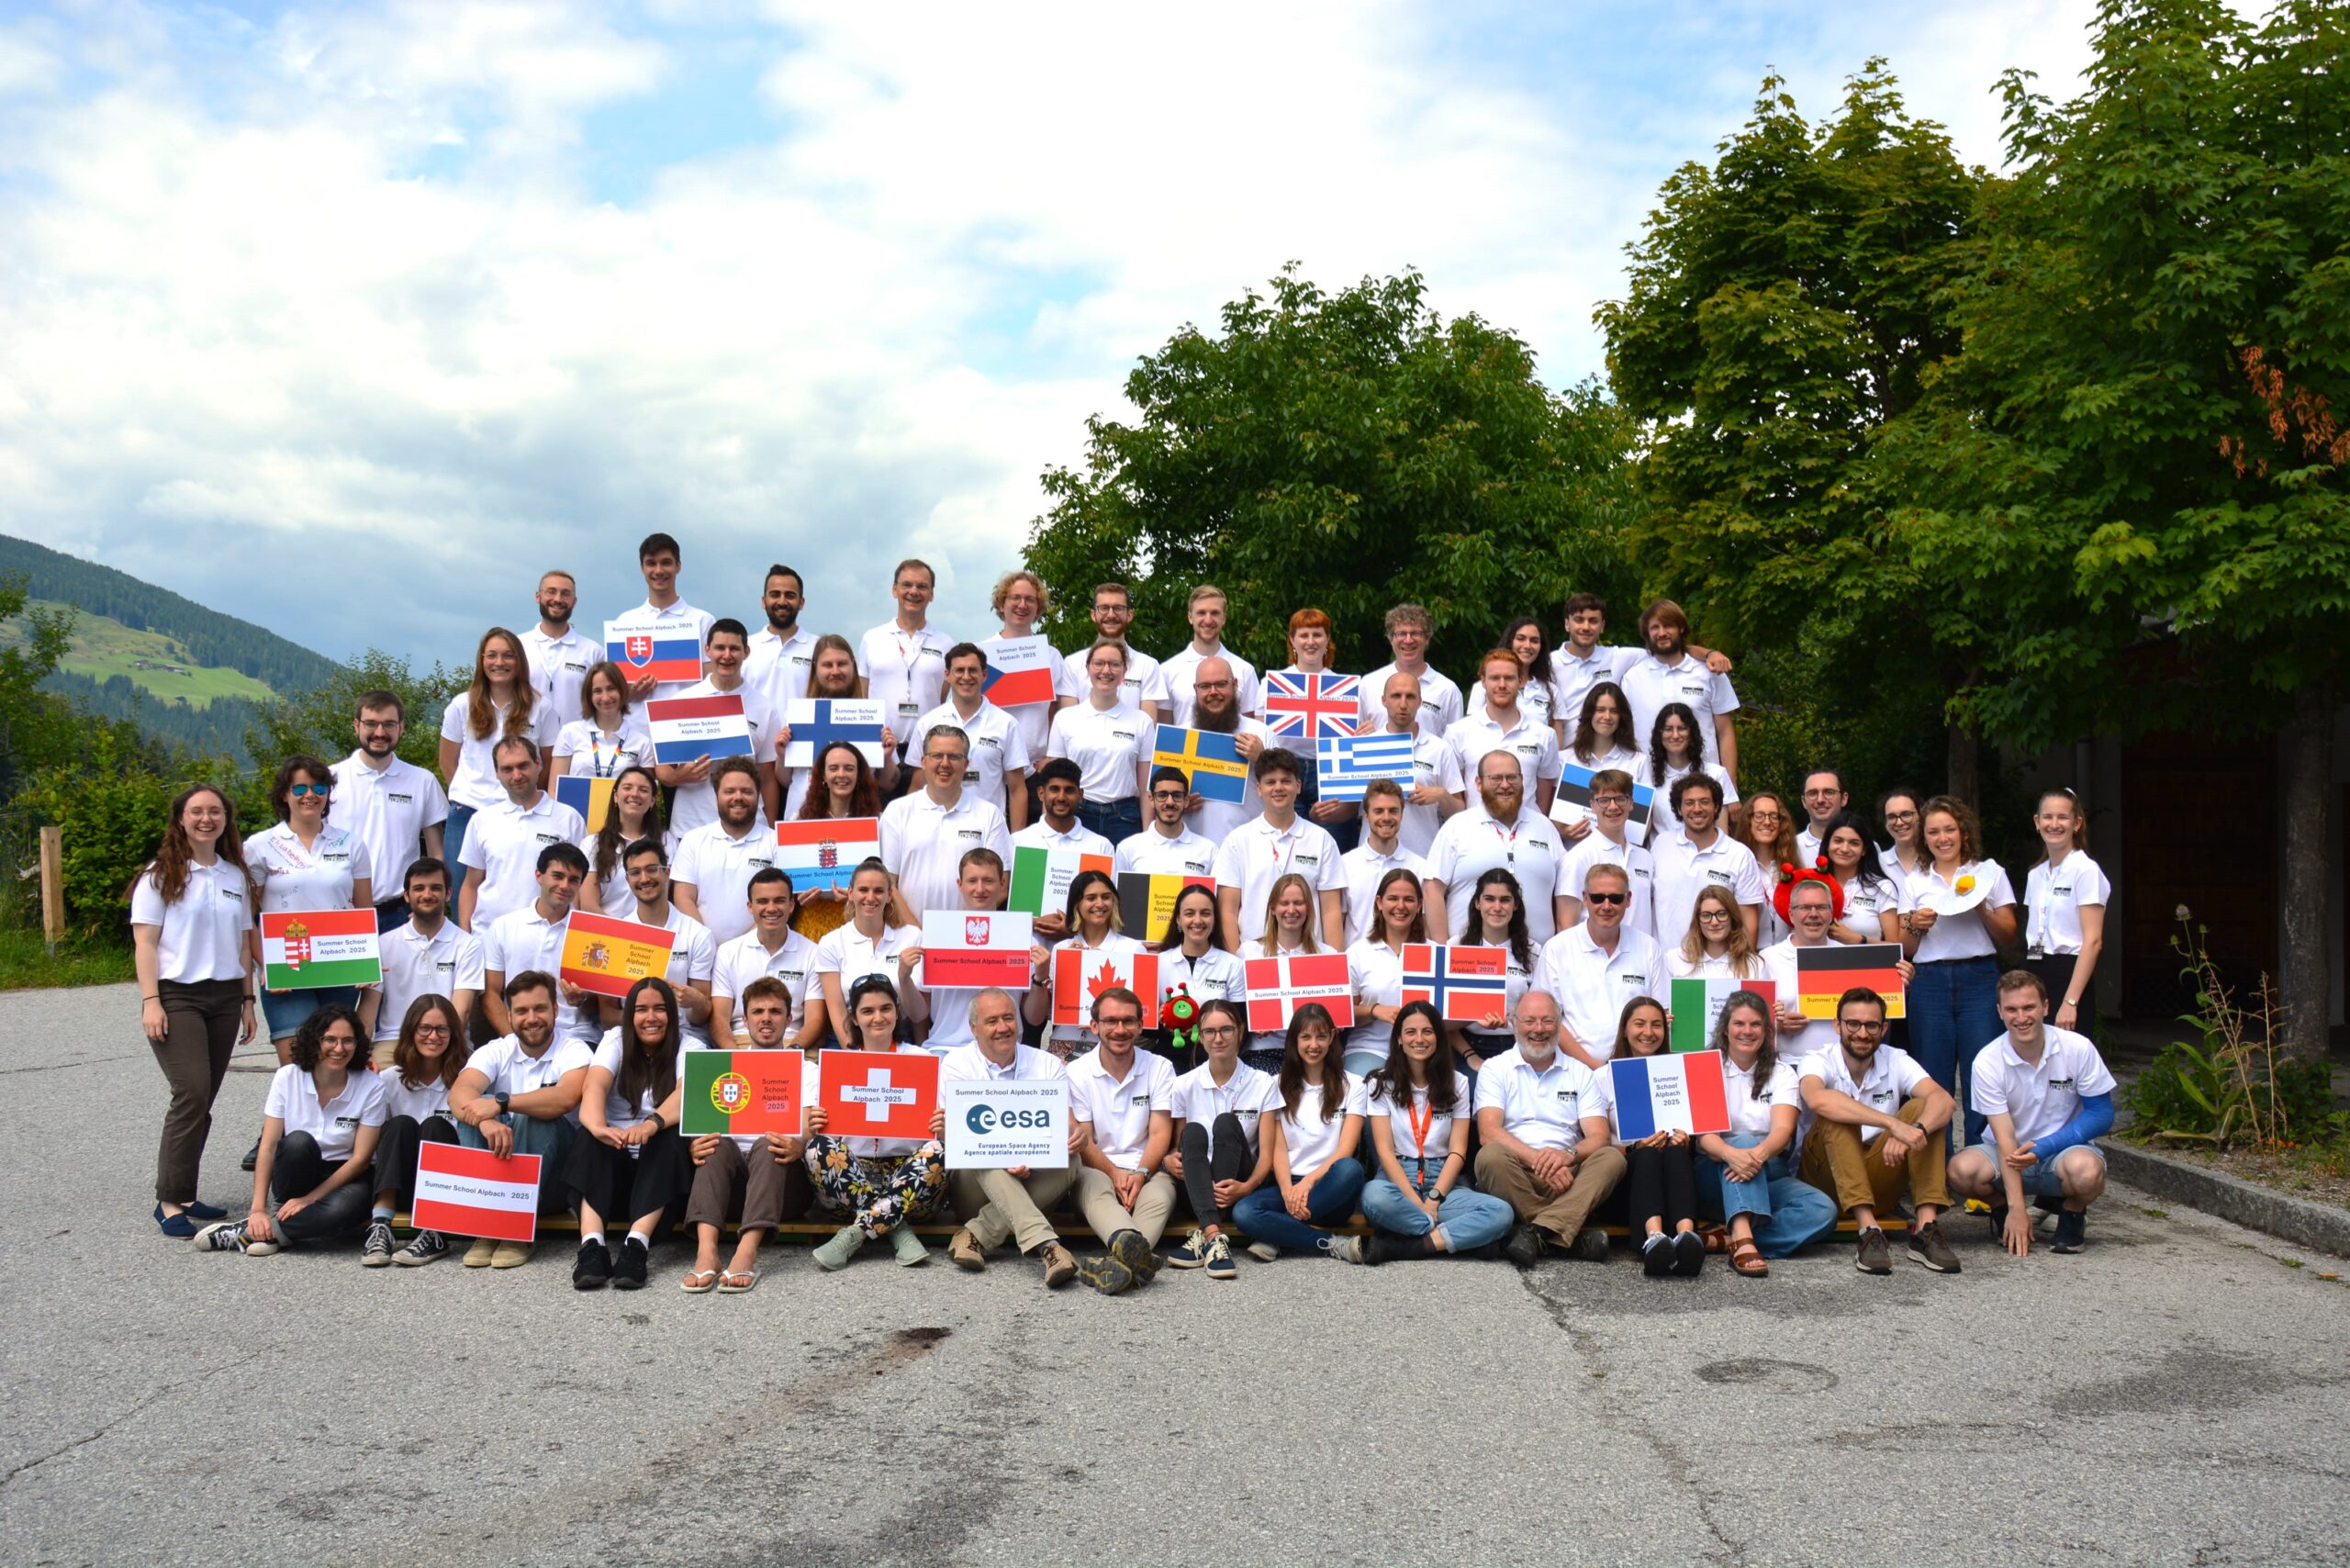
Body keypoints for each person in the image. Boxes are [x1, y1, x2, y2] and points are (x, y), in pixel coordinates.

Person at [132, 783, 255, 1238]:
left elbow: (244, 944)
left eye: (216, 812)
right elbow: (145, 943)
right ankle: (168, 1201)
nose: (207, 819)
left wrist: (247, 1001)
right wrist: (151, 1001)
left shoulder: (234, 876)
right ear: (180, 818)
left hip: (224, 997)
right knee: (191, 1093)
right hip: (177, 996)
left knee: (204, 1099)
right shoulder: (160, 875)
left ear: (226, 819)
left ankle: (186, 1193)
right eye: (197, 811)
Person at [196, 1004, 386, 1256]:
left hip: (346, 1175)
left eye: (348, 1041)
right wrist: (257, 1209)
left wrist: (311, 1199)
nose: (339, 1049)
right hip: (298, 1168)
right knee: (297, 1142)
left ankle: (255, 1233)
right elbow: (269, 1145)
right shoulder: (287, 1077)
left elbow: (361, 1159)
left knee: (345, 1208)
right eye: (330, 1039)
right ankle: (272, 1222)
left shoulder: (371, 1085)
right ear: (314, 1041)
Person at [1949, 970, 2116, 1255]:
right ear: (2000, 1012)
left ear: (2046, 1007)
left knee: (2087, 1173)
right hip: (2009, 1154)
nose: (2021, 1017)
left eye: (2029, 1007)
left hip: (2063, 1152)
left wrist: (2046, 1146)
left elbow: (2102, 1114)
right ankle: (2001, 1211)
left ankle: (2072, 1212)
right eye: (2011, 1009)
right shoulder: (1987, 1061)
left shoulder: (2077, 1047)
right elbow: (2005, 1141)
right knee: (1959, 1171)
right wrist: (2016, 1209)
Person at [1796, 988, 1962, 1275]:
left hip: (1879, 1174)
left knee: (1926, 1108)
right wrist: (1894, 1125)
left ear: (1884, 1028)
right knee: (1837, 1111)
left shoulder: (1895, 1058)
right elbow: (1817, 1099)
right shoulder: (1818, 1059)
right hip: (1826, 1183)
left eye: (1871, 1025)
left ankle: (1925, 1228)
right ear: (1837, 1025)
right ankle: (1868, 1232)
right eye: (1853, 1024)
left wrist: (1917, 1128)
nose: (1862, 1033)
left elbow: (1944, 1101)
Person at [934, 987, 1083, 1286]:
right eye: (992, 1021)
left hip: (1033, 1178)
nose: (1003, 1028)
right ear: (973, 1028)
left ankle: (974, 1235)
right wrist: (1007, 1160)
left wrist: (1074, 1134)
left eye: (1008, 1018)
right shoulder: (956, 1064)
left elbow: (1065, 1127)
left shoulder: (1048, 1064)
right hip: (975, 1186)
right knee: (976, 1150)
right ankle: (1047, 1246)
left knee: (1073, 1159)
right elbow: (956, 1139)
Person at [448, 970, 591, 1269]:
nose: (532, 1018)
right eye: (522, 1011)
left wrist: (502, 1104)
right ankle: (486, 1226)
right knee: (477, 1106)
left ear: (555, 1009)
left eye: (540, 1008)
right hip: (504, 1173)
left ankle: (516, 1229)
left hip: (557, 1181)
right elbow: (459, 1094)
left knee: (533, 1115)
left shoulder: (573, 1048)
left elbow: (565, 1098)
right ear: (510, 1016)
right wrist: (484, 1117)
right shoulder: (497, 1049)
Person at [681, 977, 815, 1294]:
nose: (765, 1019)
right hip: (728, 1188)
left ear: (789, 1019)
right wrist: (694, 1145)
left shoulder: (805, 1069)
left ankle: (746, 1251)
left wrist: (800, 1143)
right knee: (715, 1144)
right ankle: (707, 1253)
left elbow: (810, 1119)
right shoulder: (721, 1066)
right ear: (744, 1020)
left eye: (775, 1011)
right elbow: (700, 1124)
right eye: (757, 1012)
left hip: (782, 1185)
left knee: (770, 1141)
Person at [804, 976, 950, 1269]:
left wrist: (945, 1128)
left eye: (885, 1008)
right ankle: (897, 1228)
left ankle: (858, 1232)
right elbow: (815, 1133)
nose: (878, 1017)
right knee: (816, 1147)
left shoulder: (924, 1061)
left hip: (911, 1183)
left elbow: (946, 1133)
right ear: (855, 1019)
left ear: (897, 1012)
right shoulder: (837, 1066)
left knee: (939, 1151)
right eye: (867, 1011)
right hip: (851, 1184)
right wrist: (813, 1123)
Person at [1354, 999, 1515, 1263]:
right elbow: (1384, 1150)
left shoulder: (1459, 1082)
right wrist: (1416, 1202)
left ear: (1439, 1037)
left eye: (1427, 1031)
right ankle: (1461, 1241)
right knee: (1373, 1198)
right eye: (1411, 1032)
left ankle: (1412, 1246)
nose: (1419, 1039)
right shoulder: (1380, 1082)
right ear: (1399, 1040)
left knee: (1501, 1213)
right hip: (1397, 1178)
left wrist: (1434, 1198)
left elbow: (1458, 1150)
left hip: (1444, 1180)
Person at [1899, 795, 2020, 1143]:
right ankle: (1937, 1172)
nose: (1942, 838)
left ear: (1963, 832)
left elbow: (2009, 935)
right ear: (1925, 838)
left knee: (1981, 1074)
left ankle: (1979, 1168)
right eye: (1933, 832)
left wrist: (1980, 907)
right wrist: (1917, 925)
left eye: (1949, 829)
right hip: (1929, 981)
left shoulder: (1989, 873)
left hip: (1978, 978)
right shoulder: (1915, 880)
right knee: (1932, 1077)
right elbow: (1906, 948)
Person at [1691, 989, 1837, 1275]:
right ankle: (1744, 1236)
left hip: (1768, 1168)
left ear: (1767, 1030)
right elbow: (1706, 1137)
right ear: (1725, 1029)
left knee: (1823, 1209)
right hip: (1714, 1171)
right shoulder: (1706, 1068)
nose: (1747, 1031)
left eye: (1755, 1024)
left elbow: (1783, 1129)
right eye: (1739, 1024)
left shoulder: (1782, 1073)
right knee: (1742, 1140)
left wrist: (1755, 1158)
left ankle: (1729, 1239)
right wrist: (1733, 1154)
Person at [1472, 990, 1624, 1264]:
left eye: (1548, 1021)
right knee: (1490, 1156)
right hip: (1517, 1173)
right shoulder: (1495, 1069)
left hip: (1569, 1176)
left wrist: (1566, 1156)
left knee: (1612, 1157)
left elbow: (1599, 1136)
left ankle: (1535, 1234)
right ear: (1513, 1023)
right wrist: (1540, 1162)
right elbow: (1489, 1132)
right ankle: (1563, 1236)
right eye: (1529, 1021)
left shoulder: (1580, 1072)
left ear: (1559, 1024)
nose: (1539, 1029)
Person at [246, 753, 375, 1060]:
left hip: (339, 968)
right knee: (296, 1064)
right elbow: (245, 918)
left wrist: (367, 960)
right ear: (284, 794)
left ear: (328, 794)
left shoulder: (350, 844)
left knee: (336, 1060)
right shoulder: (259, 847)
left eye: (319, 789)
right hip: (287, 971)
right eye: (300, 789)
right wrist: (266, 966)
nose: (310, 796)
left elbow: (364, 911)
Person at [567, 976, 689, 1290]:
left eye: (660, 1009)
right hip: (613, 1172)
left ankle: (636, 1246)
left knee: (670, 1137)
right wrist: (599, 1127)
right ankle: (592, 1247)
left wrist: (651, 1124)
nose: (651, 1017)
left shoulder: (689, 1045)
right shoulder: (616, 1040)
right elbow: (594, 1084)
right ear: (629, 1015)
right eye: (641, 1009)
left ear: (672, 1015)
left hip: (659, 1186)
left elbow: (686, 1091)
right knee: (588, 1136)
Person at [1230, 1002, 1367, 1261]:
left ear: (1332, 1037)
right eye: (1305, 1037)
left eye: (1321, 1036)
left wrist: (1307, 1183)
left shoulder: (1354, 1085)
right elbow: (1277, 1149)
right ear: (1294, 1040)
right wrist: (1287, 1191)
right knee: (1244, 1211)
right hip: (1288, 1184)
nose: (1313, 1044)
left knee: (1352, 1169)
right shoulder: (1277, 1084)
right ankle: (1329, 1244)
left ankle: (1277, 1232)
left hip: (1330, 1188)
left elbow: (1345, 1150)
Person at [1065, 986, 1177, 1294]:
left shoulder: (1159, 1067)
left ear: (1141, 1026)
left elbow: (1160, 1134)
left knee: (1160, 1197)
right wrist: (1115, 1173)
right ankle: (1132, 1258)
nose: (1120, 1029)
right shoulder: (1076, 1072)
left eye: (1129, 1021)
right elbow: (1085, 1139)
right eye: (1111, 1021)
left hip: (1146, 1168)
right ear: (1094, 1026)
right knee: (1094, 1187)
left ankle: (1112, 1266)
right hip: (1097, 1168)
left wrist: (1140, 1174)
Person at [1164, 998, 1277, 1281]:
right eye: (1210, 1032)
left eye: (1226, 1030)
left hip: (1239, 1183)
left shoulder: (1263, 1082)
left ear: (1240, 1031)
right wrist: (1170, 1161)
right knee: (1193, 1132)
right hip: (1197, 1188)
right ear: (1199, 1037)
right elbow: (1181, 1147)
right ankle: (1214, 1236)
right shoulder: (1183, 1084)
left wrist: (1247, 1186)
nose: (1218, 1038)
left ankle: (1204, 1237)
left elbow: (1266, 1155)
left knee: (1226, 1123)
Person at [1593, 996, 1706, 1276]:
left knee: (1675, 1152)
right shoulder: (1603, 1076)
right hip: (1627, 1184)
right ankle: (1653, 1239)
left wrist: (1686, 1140)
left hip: (1672, 1176)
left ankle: (1687, 1238)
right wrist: (1633, 1149)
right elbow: (1597, 1144)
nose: (1648, 1032)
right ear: (1624, 1030)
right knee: (1645, 1154)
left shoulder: (1677, 1072)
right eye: (1639, 1024)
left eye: (1657, 1025)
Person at [439, 627, 560, 885]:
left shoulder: (542, 708)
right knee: (463, 895)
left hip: (521, 813)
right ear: (481, 660)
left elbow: (548, 764)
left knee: (516, 890)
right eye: (491, 655)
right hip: (467, 813)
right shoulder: (462, 705)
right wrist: (471, 792)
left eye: (508, 655)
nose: (499, 662)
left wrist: (523, 796)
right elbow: (447, 762)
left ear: (519, 661)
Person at [363, 994, 470, 1267]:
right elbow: (374, 1143)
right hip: (401, 1182)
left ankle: (434, 1231)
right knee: (400, 1124)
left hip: (448, 1188)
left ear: (453, 1034)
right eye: (425, 1028)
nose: (433, 1036)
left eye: (441, 1029)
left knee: (436, 1126)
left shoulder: (466, 1079)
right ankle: (380, 1226)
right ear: (411, 1031)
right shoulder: (388, 1079)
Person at [1762, 871, 1912, 1066]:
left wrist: (1902, 984)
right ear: (1791, 914)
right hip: (1789, 1064)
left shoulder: (1851, 958)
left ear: (1832, 914)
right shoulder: (1767, 959)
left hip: (1845, 1066)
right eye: (1805, 907)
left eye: (1822, 907)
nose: (1813, 914)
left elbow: (1879, 1009)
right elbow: (1753, 1021)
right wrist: (1777, 1025)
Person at [330, 689, 448, 931]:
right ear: (356, 725)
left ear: (401, 727)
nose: (380, 733)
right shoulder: (331, 779)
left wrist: (430, 908)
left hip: (400, 914)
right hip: (338, 911)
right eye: (371, 724)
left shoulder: (422, 781)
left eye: (389, 724)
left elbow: (436, 854)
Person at [1424, 751, 1569, 946]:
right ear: (1478, 783)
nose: (1505, 785)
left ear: (1522, 780)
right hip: (1468, 959)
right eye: (1496, 778)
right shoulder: (1457, 827)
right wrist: (1442, 950)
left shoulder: (1544, 827)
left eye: (1512, 777)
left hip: (1535, 961)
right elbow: (1432, 889)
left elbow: (1565, 893)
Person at [907, 847, 1039, 1053]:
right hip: (946, 1047)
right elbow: (917, 1014)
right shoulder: (936, 934)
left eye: (988, 880)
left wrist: (1040, 975)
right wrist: (903, 976)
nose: (980, 889)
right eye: (972, 881)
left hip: (1005, 1049)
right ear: (959, 884)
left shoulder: (1022, 937)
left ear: (1002, 884)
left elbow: (1035, 1017)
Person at [879, 723, 1013, 924]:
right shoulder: (897, 811)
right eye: (937, 756)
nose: (945, 763)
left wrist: (954, 933)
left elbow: (1001, 885)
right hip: (907, 938)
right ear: (923, 761)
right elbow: (888, 883)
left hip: (966, 940)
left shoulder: (989, 814)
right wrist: (916, 932)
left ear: (966, 764)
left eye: (953, 757)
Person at [1213, 747, 1345, 949]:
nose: (1278, 788)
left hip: (1309, 958)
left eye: (1285, 781)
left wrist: (1336, 967)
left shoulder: (1322, 839)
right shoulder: (1237, 840)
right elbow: (1227, 912)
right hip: (1256, 958)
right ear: (1258, 788)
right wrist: (1235, 963)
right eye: (1270, 782)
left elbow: (1331, 912)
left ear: (1298, 786)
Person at [1536, 862, 1663, 1068]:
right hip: (1573, 1071)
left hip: (1634, 1068)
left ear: (1628, 899)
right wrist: (1595, 1066)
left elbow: (1660, 1014)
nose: (1606, 906)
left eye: (1615, 898)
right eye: (1597, 898)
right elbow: (1549, 1019)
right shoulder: (1556, 949)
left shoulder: (1649, 948)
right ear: (1585, 898)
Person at [661, 618, 781, 834]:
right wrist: (676, 777)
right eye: (719, 648)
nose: (727, 656)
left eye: (734, 648)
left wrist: (771, 829)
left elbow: (767, 776)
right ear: (707, 650)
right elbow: (662, 767)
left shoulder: (764, 707)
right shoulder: (682, 701)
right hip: (691, 825)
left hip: (748, 826)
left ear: (746, 652)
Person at [456, 736, 587, 933]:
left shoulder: (569, 818)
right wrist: (465, 937)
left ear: (538, 764)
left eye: (523, 766)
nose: (516, 775)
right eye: (507, 769)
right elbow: (470, 884)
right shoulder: (481, 820)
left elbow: (579, 885)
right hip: (488, 935)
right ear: (497, 773)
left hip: (548, 935)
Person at [479, 842, 598, 1047]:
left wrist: (583, 1001)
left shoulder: (592, 934)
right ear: (538, 875)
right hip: (518, 1036)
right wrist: (513, 1041)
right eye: (557, 876)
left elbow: (601, 1007)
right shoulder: (504, 927)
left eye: (573, 880)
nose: (564, 886)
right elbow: (490, 994)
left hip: (575, 1037)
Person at [363, 858, 483, 1052]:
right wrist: (361, 1057)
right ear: (407, 896)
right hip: (395, 1041)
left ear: (448, 894)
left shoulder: (469, 945)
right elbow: (367, 1012)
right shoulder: (383, 944)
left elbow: (462, 1011)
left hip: (447, 1040)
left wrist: (437, 1045)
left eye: (435, 888)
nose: (427, 895)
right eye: (419, 888)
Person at [602, 838, 716, 1039]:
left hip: (683, 1034)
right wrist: (648, 1021)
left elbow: (701, 1016)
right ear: (627, 880)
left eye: (652, 869)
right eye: (635, 872)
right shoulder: (615, 935)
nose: (645, 878)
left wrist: (696, 1002)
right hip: (629, 1035)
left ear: (667, 873)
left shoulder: (697, 935)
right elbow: (607, 1015)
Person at [1617, 599, 1740, 784]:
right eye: (1655, 627)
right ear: (1647, 633)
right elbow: (1625, 736)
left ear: (1681, 628)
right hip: (1650, 785)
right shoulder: (1632, 678)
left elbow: (1725, 733)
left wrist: (1731, 786)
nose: (1662, 633)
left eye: (1668, 626)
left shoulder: (1710, 672)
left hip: (1703, 785)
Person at [778, 633, 901, 815]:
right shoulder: (798, 715)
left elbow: (890, 783)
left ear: (853, 665)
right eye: (827, 665)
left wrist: (887, 757)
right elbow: (785, 781)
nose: (835, 671)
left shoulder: (874, 716)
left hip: (858, 817)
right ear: (815, 668)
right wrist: (782, 755)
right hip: (803, 820)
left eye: (841, 664)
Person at [1025, 868, 1145, 1056]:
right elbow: (1036, 1017)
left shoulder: (1133, 949)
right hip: (1066, 1042)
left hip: (1117, 1045)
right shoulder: (1062, 950)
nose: (1100, 903)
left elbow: (1143, 1011)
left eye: (1106, 897)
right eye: (1091, 898)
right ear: (1077, 904)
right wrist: (1068, 969)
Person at [1044, 639, 1151, 845]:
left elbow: (1145, 787)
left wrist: (1148, 837)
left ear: (1124, 671)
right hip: (1076, 815)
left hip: (1125, 818)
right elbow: (1053, 780)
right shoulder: (1065, 718)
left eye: (1114, 664)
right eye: (1099, 663)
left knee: (1118, 877)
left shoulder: (1141, 721)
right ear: (1088, 668)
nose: (1106, 670)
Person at [2022, 789, 2109, 1039]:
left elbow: (2093, 941)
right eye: (2047, 817)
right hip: (2036, 967)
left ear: (2077, 823)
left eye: (2062, 817)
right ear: (2037, 823)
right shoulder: (2035, 874)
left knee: (2066, 1064)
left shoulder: (2085, 870)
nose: (2054, 824)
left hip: (2069, 972)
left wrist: (2070, 1001)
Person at [914, 643, 1030, 828]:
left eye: (973, 671)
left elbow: (1017, 790)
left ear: (984, 675)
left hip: (987, 832)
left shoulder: (1006, 724)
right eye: (959, 670)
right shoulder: (927, 723)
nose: (966, 677)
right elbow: (917, 785)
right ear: (947, 675)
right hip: (936, 829)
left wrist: (1015, 843)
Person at [711, 868, 827, 1047]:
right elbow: (719, 1018)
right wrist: (736, 1058)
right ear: (750, 907)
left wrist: (790, 1055)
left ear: (791, 905)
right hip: (740, 1042)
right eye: (763, 901)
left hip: (794, 1044)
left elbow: (815, 1019)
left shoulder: (813, 952)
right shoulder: (728, 953)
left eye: (779, 901)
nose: (771, 908)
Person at [856, 558, 953, 773]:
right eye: (907, 585)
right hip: (879, 751)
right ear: (894, 590)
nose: (914, 591)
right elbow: (863, 695)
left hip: (926, 754)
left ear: (932, 594)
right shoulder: (872, 638)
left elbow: (941, 697)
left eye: (922, 586)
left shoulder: (946, 643)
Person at [1651, 774, 1764, 953]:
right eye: (1689, 803)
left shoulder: (1739, 854)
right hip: (1666, 964)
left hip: (1719, 968)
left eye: (1704, 802)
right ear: (1679, 809)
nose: (1697, 809)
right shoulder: (1661, 844)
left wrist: (1744, 966)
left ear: (1717, 806)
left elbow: (1748, 921)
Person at [669, 756, 775, 948]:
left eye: (746, 791)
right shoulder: (693, 840)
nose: (738, 797)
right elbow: (683, 898)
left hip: (759, 949)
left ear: (759, 795)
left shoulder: (776, 842)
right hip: (701, 951)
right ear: (716, 795)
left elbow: (780, 904)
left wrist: (737, 951)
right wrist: (706, 944)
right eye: (729, 791)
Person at [988, 568, 1081, 780]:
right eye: (1015, 598)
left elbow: (1056, 710)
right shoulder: (981, 652)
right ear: (1002, 604)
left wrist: (1052, 754)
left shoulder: (1051, 655)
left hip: (1036, 767)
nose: (1022, 605)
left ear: (1038, 608)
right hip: (991, 763)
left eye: (1030, 599)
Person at [789, 740, 884, 943]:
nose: (841, 775)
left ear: (859, 775)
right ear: (823, 775)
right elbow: (791, 878)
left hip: (860, 920)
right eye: (834, 768)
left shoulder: (878, 822)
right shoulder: (800, 819)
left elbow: (885, 875)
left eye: (849, 768)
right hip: (812, 920)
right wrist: (798, 895)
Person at [1446, 648, 1561, 816]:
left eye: (1509, 678)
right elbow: (1456, 796)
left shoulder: (1544, 735)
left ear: (1520, 681)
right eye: (1494, 678)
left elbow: (1543, 804)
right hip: (1476, 834)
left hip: (1526, 834)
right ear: (1483, 681)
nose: (1502, 685)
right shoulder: (1458, 732)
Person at [1365, 668, 1465, 857]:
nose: (1403, 704)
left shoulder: (1440, 749)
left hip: (1423, 856)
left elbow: (1460, 814)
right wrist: (1321, 811)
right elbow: (1346, 811)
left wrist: (1441, 795)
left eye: (1410, 697)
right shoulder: (1366, 747)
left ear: (1420, 702)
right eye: (1396, 696)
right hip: (1373, 856)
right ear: (1383, 700)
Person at [811, 858, 921, 1031]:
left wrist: (904, 977)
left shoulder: (912, 936)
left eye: (878, 891)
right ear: (850, 893)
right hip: (851, 1036)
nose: (870, 898)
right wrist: (855, 1053)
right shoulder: (831, 942)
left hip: (899, 1036)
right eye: (863, 890)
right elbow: (838, 1013)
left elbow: (918, 1015)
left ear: (889, 895)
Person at [1181, 655, 1277, 846]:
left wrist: (1261, 758)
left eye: (1221, 684)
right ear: (1195, 689)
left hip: (1251, 848)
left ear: (1235, 684)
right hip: (1193, 849)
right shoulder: (1182, 734)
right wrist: (1179, 802)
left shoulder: (1261, 733)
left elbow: (1283, 791)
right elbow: (1160, 797)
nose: (1213, 692)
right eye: (1205, 686)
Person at [1452, 868, 1540, 1072]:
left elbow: (1538, 1010)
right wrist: (1470, 1056)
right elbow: (1441, 1015)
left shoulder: (1534, 951)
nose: (1497, 907)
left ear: (1515, 905)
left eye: (1505, 900)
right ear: (1477, 903)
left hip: (1519, 1048)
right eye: (1489, 899)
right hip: (1467, 1048)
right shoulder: (1456, 947)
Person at [1239, 872, 1327, 1070]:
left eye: (1298, 903)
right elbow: (1237, 1007)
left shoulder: (1327, 955)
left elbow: (1334, 1013)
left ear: (1308, 908)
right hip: (1263, 1049)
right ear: (1273, 908)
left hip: (1312, 1053)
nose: (1291, 910)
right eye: (1284, 903)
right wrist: (1252, 1022)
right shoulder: (1249, 952)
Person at [1346, 866, 1427, 1078]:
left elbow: (1446, 1016)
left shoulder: (1435, 952)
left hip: (1422, 1050)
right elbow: (1344, 1014)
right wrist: (1374, 1010)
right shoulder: (1358, 952)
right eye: (1393, 898)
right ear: (1379, 903)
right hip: (1369, 1048)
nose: (1400, 906)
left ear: (1419, 906)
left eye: (1409, 899)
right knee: (1361, 1088)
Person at [1154, 882, 1247, 1066]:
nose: (1198, 921)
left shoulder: (1233, 965)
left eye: (1205, 913)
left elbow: (1241, 1023)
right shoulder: (1158, 963)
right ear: (1178, 920)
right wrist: (1163, 1024)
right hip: (1167, 1060)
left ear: (1215, 919)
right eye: (1189, 913)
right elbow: (1144, 1027)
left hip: (1217, 1061)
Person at [1558, 767, 1656, 941]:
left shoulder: (1645, 858)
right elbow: (1565, 927)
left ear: (1631, 803)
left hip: (1640, 963)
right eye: (1604, 800)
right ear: (1593, 805)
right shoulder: (1578, 857)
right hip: (1594, 963)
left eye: (1620, 799)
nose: (1613, 807)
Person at [618, 532, 715, 701]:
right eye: (651, 563)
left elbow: (712, 683)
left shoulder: (702, 621)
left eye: (666, 563)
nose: (659, 570)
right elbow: (615, 690)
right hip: (636, 727)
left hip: (686, 723)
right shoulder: (625, 622)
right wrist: (630, 693)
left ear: (678, 566)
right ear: (642, 568)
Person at [1058, 581, 1169, 722]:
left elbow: (1148, 726)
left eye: (1118, 608)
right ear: (1093, 614)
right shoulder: (1072, 664)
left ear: (1129, 615)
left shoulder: (1148, 665)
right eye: (1104, 608)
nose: (1111, 615)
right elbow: (1068, 723)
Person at [1160, 584, 1263, 725]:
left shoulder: (1245, 670)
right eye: (1201, 613)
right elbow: (1165, 731)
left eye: (1215, 613)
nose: (1208, 620)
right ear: (1190, 617)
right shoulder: (1167, 671)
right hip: (1187, 747)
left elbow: (1252, 728)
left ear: (1224, 619)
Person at [1359, 602, 1463, 740]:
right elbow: (1351, 737)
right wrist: (1361, 735)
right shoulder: (1369, 684)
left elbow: (1456, 746)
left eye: (1416, 633)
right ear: (1391, 639)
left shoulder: (1447, 690)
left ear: (1427, 639)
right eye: (1401, 633)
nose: (1408, 640)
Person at [1639, 702, 1740, 842]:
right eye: (1668, 729)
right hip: (1662, 857)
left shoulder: (1716, 774)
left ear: (1692, 733)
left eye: (1682, 728)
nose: (1675, 735)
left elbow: (1722, 834)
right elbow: (1639, 832)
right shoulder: (1644, 775)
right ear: (1659, 734)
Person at [1340, 779, 1424, 946]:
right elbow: (1337, 922)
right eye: (1378, 811)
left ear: (1402, 815)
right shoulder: (1344, 865)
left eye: (1393, 811)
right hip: (1356, 966)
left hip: (1405, 963)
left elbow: (1424, 927)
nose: (1386, 818)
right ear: (1366, 815)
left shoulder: (1420, 867)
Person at [580, 765, 666, 916]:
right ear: (615, 796)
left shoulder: (667, 842)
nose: (635, 794)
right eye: (627, 788)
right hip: (606, 933)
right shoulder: (592, 844)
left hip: (654, 933)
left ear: (653, 801)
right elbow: (588, 905)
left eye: (643, 790)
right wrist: (621, 935)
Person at [549, 660, 655, 783]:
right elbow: (555, 791)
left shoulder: (643, 743)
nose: (605, 697)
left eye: (611, 689)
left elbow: (646, 792)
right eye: (598, 691)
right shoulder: (569, 733)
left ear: (622, 691)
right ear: (589, 696)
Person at [520, 567, 597, 729]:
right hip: (524, 747)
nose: (558, 599)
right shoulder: (518, 646)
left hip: (577, 748)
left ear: (574, 601)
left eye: (565, 594)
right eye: (551, 592)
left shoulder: (593, 651)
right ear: (538, 596)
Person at [1116, 765, 1218, 879]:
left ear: (1186, 801)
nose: (1169, 802)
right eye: (1162, 795)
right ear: (1151, 799)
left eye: (1176, 795)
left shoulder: (1209, 850)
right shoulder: (1128, 848)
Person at [744, 562, 818, 716]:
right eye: (775, 594)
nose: (782, 602)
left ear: (801, 602)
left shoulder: (819, 648)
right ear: (763, 601)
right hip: (756, 740)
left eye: (790, 595)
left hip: (803, 739)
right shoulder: (744, 647)